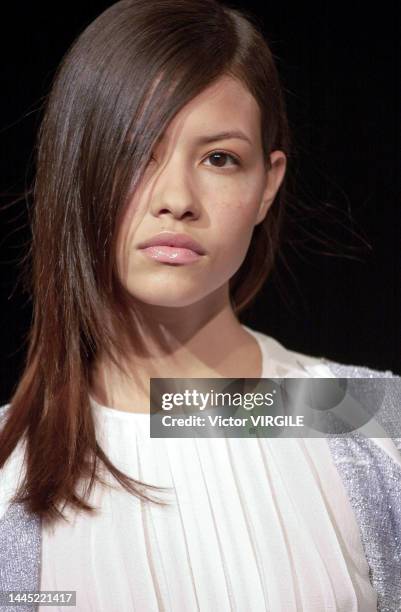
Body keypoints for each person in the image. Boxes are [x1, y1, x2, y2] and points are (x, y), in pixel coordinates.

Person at [0, 1, 400, 611]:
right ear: (77, 169)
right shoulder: (10, 466)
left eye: (219, 158)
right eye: (137, 151)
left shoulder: (366, 422)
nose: (177, 199)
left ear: (267, 184)